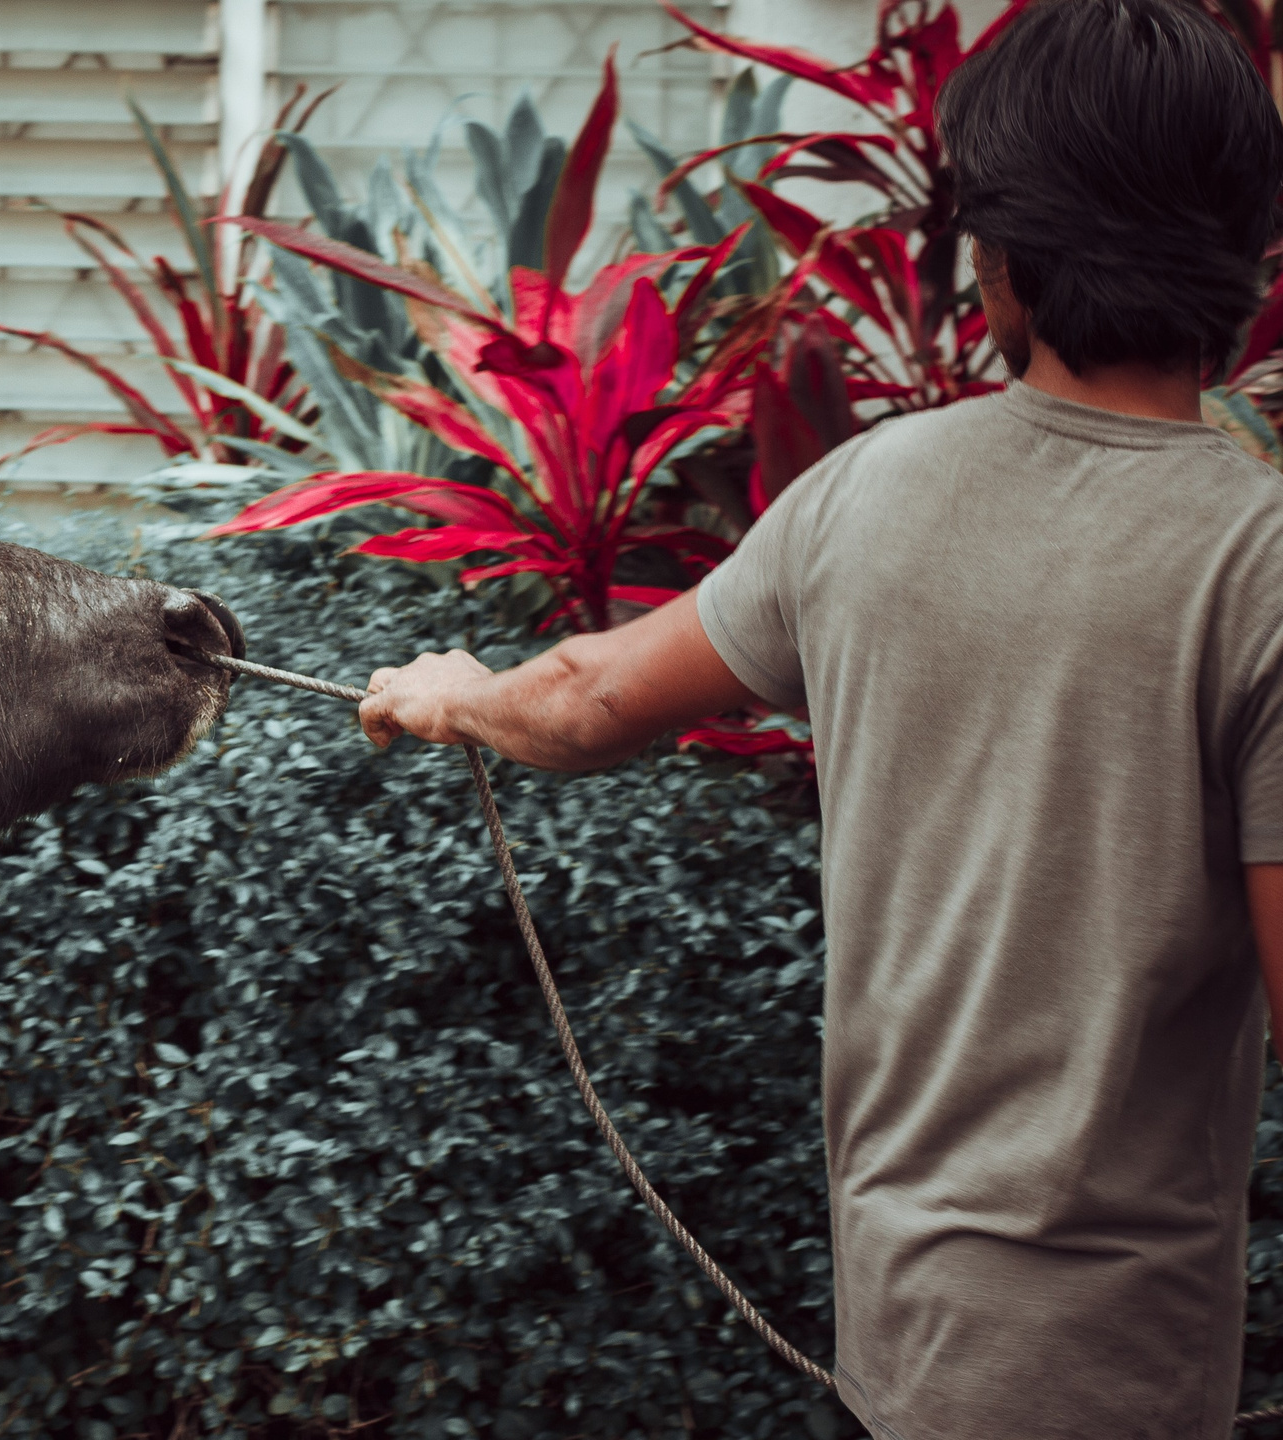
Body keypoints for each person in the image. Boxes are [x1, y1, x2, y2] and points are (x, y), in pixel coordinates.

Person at [356, 2, 1283, 1434]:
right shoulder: (1259, 558)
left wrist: (456, 698)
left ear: (1007, 258)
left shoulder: (870, 495)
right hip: (1120, 1376)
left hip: (897, 1351)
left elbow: (592, 695)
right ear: (1241, 245)